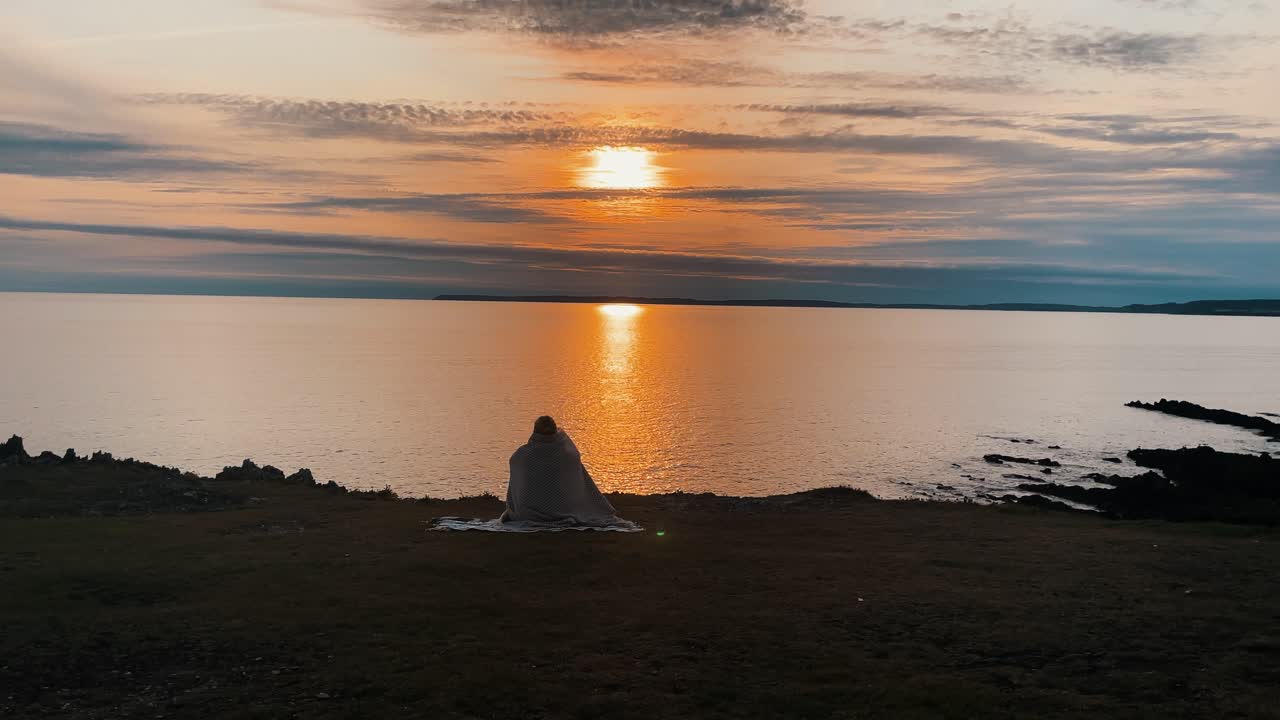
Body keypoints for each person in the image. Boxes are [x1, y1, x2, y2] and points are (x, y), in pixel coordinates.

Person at [502, 415, 619, 525]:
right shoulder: (568, 454)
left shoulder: (522, 456)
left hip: (529, 512)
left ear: (535, 431)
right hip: (567, 507)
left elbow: (516, 484)